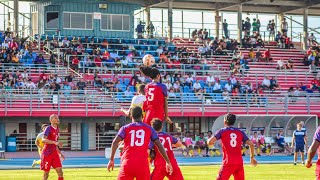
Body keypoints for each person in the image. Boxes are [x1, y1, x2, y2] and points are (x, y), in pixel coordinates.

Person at [107, 106, 173, 179]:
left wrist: (111, 159)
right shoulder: (149, 129)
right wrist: (168, 162)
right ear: (142, 116)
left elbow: (115, 142)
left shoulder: (125, 128)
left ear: (131, 116)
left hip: (128, 163)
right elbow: (160, 146)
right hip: (143, 164)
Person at [207, 114, 258, 180]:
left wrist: (210, 138)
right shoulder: (240, 132)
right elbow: (251, 144)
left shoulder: (222, 131)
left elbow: (210, 142)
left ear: (225, 121)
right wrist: (252, 158)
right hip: (239, 162)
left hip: (228, 162)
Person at [41, 114, 64, 180]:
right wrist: (55, 142)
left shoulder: (57, 130)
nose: (58, 119)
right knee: (46, 175)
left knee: (60, 172)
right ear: (51, 120)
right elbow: (43, 140)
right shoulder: (48, 128)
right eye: (55, 118)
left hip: (54, 154)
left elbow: (55, 144)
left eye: (58, 118)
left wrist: (60, 154)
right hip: (47, 154)